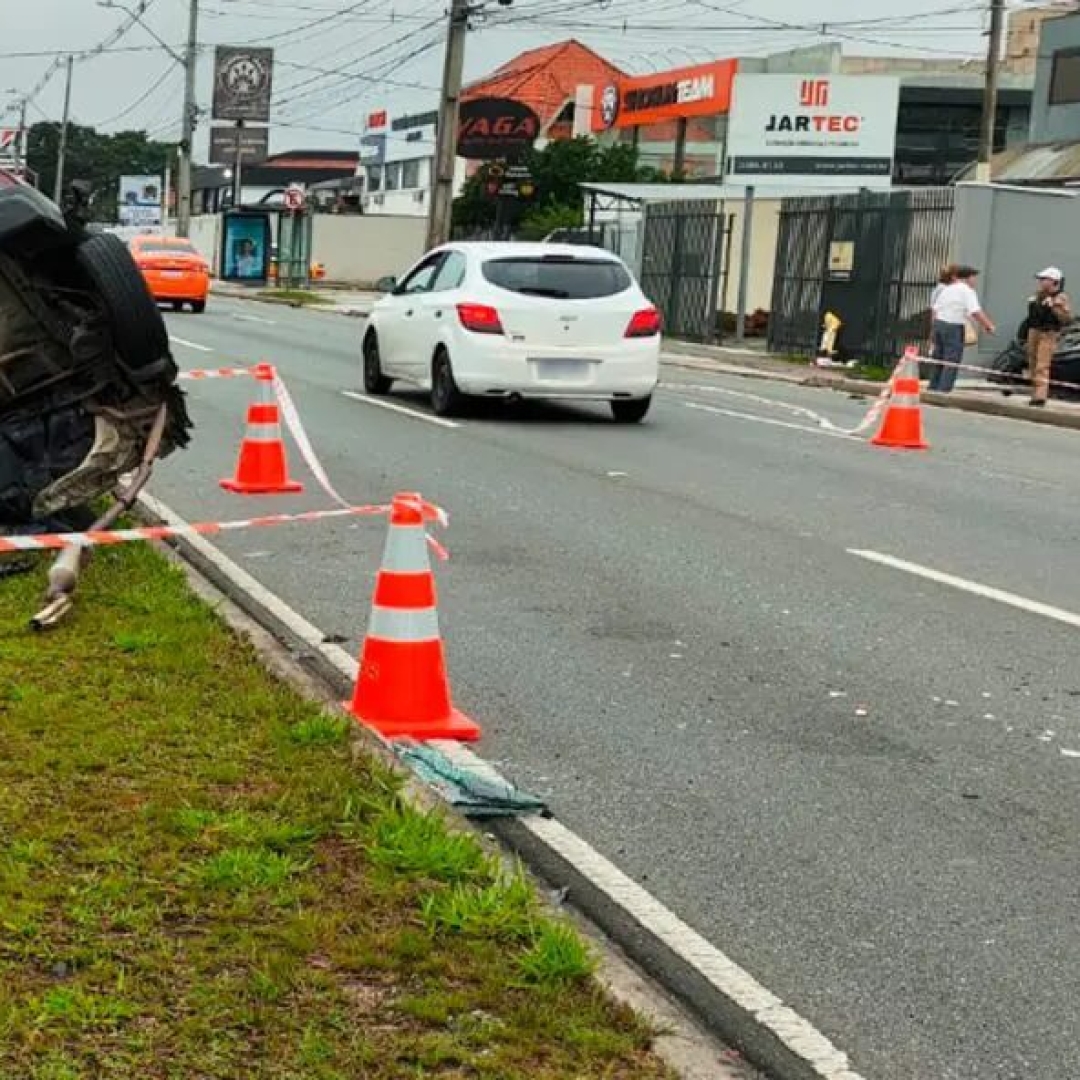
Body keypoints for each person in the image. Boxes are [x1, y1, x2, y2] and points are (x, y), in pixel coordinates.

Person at [929, 265, 995, 393]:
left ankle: (933, 387)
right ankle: (943, 390)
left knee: (939, 359)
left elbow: (935, 310)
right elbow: (975, 311)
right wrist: (988, 325)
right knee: (951, 360)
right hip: (953, 326)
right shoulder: (966, 291)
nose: (975, 281)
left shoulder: (947, 289)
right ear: (967, 278)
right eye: (973, 277)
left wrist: (933, 329)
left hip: (939, 324)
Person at [1026, 267, 1071, 408]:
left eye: (1044, 279)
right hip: (1034, 331)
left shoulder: (1060, 297)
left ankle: (1040, 396)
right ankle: (1034, 392)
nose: (1040, 282)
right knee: (1032, 361)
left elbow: (1066, 319)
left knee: (1042, 364)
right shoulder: (1037, 295)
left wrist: (1055, 307)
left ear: (1053, 281)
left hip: (1048, 333)